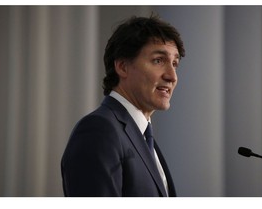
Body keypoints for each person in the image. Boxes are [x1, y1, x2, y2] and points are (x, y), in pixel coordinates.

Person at [61, 15, 185, 197]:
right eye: (158, 60)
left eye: (175, 64)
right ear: (122, 66)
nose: (172, 76)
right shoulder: (99, 131)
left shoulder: (142, 136)